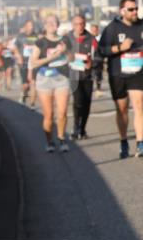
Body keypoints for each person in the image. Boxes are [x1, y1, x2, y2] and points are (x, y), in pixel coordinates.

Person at [99, 0, 143, 159]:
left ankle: (140, 143)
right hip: (118, 73)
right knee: (122, 109)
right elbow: (102, 50)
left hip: (138, 72)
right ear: (122, 11)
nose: (135, 12)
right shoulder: (112, 28)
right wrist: (120, 48)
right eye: (131, 9)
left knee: (139, 105)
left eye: (136, 9)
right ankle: (123, 141)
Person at [30, 14, 72, 153]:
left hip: (62, 78)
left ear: (58, 25)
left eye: (54, 22)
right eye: (48, 22)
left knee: (62, 112)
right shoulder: (40, 42)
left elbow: (72, 58)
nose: (51, 24)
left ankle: (61, 138)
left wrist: (66, 52)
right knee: (48, 115)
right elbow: (33, 62)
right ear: (44, 26)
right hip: (45, 79)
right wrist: (51, 57)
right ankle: (49, 142)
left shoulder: (65, 40)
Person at [66, 14, 95, 140]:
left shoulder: (91, 38)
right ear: (72, 25)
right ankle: (75, 128)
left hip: (87, 76)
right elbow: (59, 55)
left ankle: (82, 129)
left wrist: (92, 63)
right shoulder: (66, 38)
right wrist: (67, 58)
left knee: (87, 103)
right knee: (78, 101)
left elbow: (98, 55)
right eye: (77, 24)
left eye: (82, 24)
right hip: (73, 75)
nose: (80, 26)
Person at [11, 20, 38, 104]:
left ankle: (32, 104)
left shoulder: (36, 36)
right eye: (29, 25)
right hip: (24, 62)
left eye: (32, 25)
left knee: (33, 82)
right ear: (25, 27)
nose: (31, 27)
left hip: (33, 62)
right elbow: (14, 48)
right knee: (25, 84)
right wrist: (19, 57)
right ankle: (24, 94)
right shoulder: (20, 36)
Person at [89, 23, 105, 96]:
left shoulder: (101, 38)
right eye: (92, 30)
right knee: (90, 75)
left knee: (99, 75)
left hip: (99, 60)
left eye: (95, 30)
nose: (94, 31)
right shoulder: (88, 39)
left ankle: (98, 89)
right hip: (90, 60)